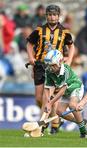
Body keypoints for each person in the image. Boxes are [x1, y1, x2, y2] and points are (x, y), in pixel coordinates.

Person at [26, 4, 75, 134]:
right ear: (46, 15)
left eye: (54, 14)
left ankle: (45, 125)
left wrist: (69, 60)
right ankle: (52, 121)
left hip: (55, 67)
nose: (52, 17)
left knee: (48, 98)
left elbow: (71, 46)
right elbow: (30, 44)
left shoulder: (64, 31)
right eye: (49, 14)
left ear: (59, 16)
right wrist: (31, 57)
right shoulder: (39, 30)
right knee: (38, 98)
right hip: (40, 65)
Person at [43, 49, 87, 138]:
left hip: (75, 87)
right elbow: (47, 87)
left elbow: (62, 91)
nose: (50, 68)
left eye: (53, 65)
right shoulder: (48, 71)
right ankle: (81, 122)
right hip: (66, 91)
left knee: (72, 105)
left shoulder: (65, 70)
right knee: (59, 111)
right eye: (49, 65)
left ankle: (84, 132)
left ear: (60, 62)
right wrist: (48, 101)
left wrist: (50, 103)